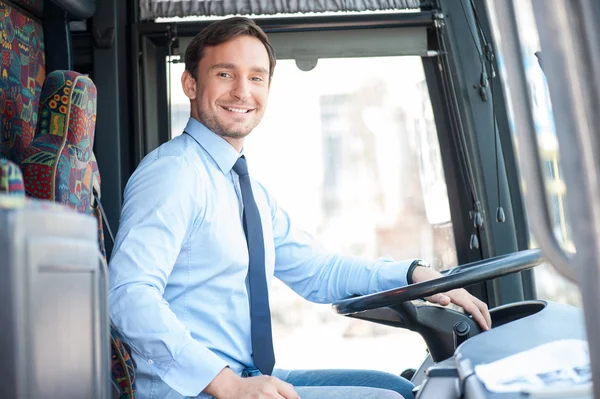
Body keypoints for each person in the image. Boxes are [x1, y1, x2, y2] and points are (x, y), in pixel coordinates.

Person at [108, 16, 492, 399]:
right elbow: (128, 293)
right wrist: (227, 385)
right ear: (191, 84)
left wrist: (413, 275)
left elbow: (318, 272)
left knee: (397, 388)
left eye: (256, 78)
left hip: (244, 371)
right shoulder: (174, 173)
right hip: (194, 389)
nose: (242, 92)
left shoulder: (245, 188)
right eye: (225, 74)